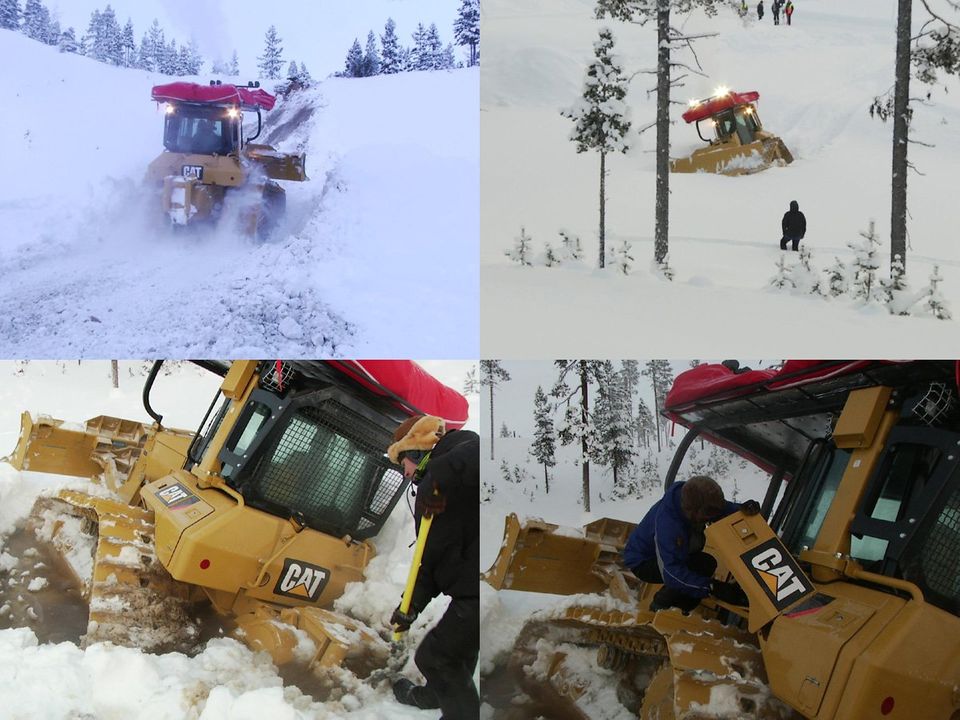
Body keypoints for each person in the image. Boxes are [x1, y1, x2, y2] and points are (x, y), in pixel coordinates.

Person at [387, 415, 480, 720]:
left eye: (405, 464)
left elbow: (480, 454)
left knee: (436, 657)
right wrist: (408, 608)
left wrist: (436, 478)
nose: (405, 473)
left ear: (415, 450)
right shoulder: (430, 496)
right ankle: (434, 697)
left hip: (484, 584)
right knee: (457, 659)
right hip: (468, 591)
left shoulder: (461, 446)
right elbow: (428, 561)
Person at [622, 475, 761, 612]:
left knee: (706, 563)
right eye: (706, 516)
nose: (710, 518)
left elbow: (720, 509)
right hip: (644, 562)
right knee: (696, 569)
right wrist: (712, 587)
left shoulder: (694, 499)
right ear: (691, 511)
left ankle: (683, 605)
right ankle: (661, 608)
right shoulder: (669, 526)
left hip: (678, 549)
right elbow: (671, 573)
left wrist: (741, 509)